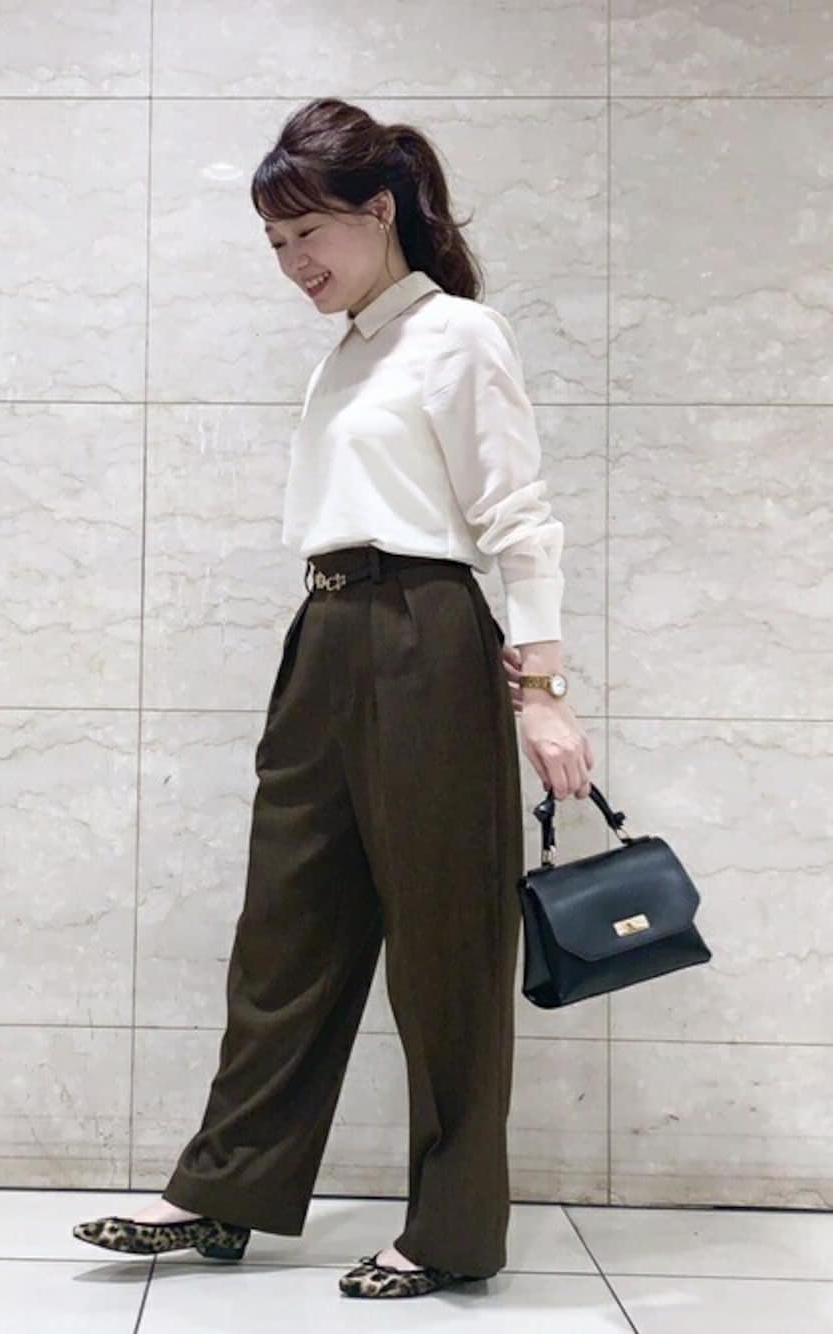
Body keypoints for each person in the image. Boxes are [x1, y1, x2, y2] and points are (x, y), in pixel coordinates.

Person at [74, 96, 594, 1300]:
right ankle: (224, 1191)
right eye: (274, 244)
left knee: (445, 946)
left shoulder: (456, 333)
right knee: (287, 926)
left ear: (379, 210)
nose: (292, 263)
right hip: (325, 636)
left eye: (308, 232)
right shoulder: (348, 349)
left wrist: (543, 689)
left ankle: (452, 1229)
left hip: (426, 634)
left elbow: (518, 517)